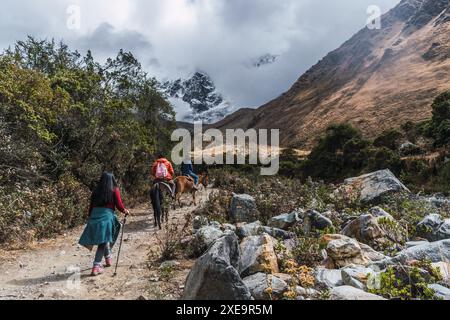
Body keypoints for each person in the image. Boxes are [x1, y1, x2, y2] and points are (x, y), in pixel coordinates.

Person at [79, 172, 130, 276]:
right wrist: (125, 211)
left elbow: (91, 206)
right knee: (103, 242)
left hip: (94, 215)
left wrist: (90, 217)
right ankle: (96, 266)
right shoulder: (114, 190)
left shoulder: (96, 191)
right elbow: (119, 205)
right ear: (112, 180)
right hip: (106, 217)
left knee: (104, 238)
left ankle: (108, 259)